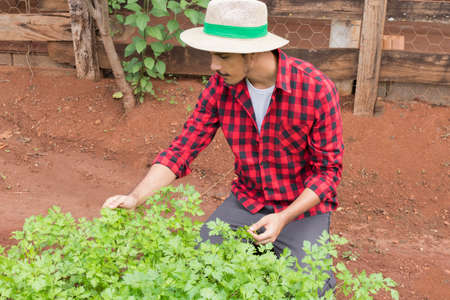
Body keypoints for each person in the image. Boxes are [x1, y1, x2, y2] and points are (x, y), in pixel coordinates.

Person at [102, 0, 343, 295]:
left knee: (308, 289)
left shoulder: (316, 89)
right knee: (199, 268)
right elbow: (183, 148)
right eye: (213, 55)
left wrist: (282, 217)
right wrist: (135, 197)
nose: (213, 65)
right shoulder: (220, 86)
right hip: (247, 201)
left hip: (300, 210)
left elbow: (328, 173)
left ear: (253, 53)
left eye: (223, 56)